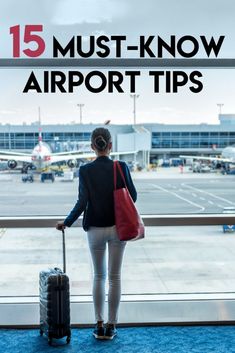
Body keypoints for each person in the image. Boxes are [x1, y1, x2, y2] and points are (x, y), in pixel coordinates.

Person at [56, 127, 137, 340]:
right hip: (118, 229)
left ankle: (99, 324)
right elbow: (133, 197)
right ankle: (112, 325)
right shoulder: (121, 167)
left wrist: (67, 222)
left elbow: (82, 202)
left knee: (99, 276)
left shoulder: (85, 170)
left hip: (94, 229)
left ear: (93, 146)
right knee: (115, 277)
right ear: (110, 145)